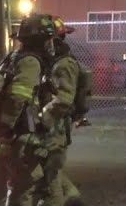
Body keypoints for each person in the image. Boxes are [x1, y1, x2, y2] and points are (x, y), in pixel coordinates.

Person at [0, 14, 56, 206]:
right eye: (48, 39)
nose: (50, 44)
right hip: (18, 134)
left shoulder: (12, 57)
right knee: (22, 187)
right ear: (39, 40)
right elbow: (18, 96)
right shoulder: (31, 62)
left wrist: (0, 131)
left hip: (2, 135)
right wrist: (7, 128)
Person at [37, 18, 83, 206]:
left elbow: (63, 100)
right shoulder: (51, 62)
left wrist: (42, 118)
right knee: (48, 175)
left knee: (50, 179)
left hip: (55, 130)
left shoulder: (64, 64)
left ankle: (71, 199)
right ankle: (72, 197)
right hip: (50, 129)